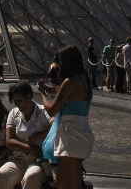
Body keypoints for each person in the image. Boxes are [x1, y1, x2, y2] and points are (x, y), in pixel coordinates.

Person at [38, 45, 93, 189]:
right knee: (71, 180)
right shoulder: (85, 80)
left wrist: (43, 94)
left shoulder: (69, 82)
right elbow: (74, 99)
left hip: (70, 134)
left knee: (63, 183)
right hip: (82, 131)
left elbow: (51, 110)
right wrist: (57, 90)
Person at [0, 81, 52, 189]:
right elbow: (9, 141)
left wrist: (36, 136)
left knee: (31, 178)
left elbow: (55, 128)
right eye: (15, 102)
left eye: (20, 101)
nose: (18, 105)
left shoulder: (43, 112)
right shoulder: (14, 113)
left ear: (29, 96)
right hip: (18, 159)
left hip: (38, 160)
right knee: (1, 175)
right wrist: (30, 149)